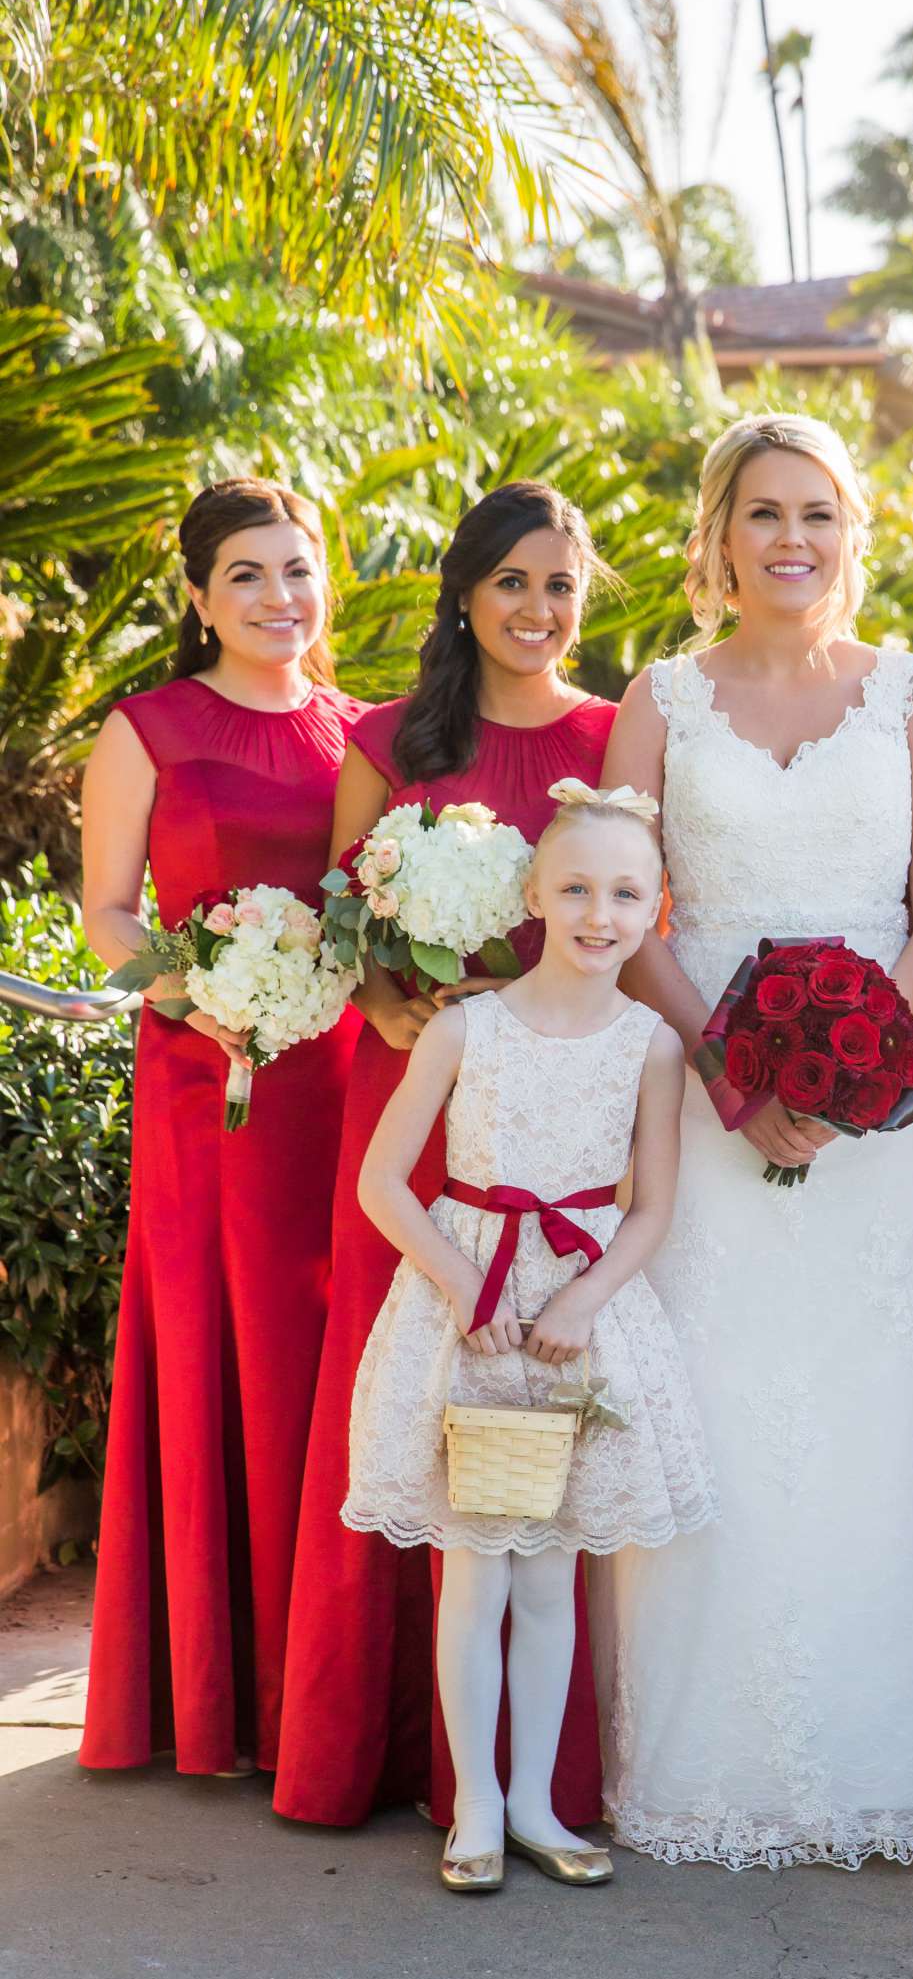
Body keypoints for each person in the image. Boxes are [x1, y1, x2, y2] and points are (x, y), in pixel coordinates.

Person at [589, 412, 913, 1871]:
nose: (793, 540)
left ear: (853, 528)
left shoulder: (911, 696)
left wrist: (869, 1063)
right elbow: (627, 909)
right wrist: (731, 1071)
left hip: (883, 1121)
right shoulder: (664, 698)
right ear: (721, 532)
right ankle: (710, 1766)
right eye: (765, 513)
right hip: (704, 1093)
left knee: (873, 1419)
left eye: (817, 512)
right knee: (719, 1408)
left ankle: (884, 1766)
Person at [273, 483, 616, 1833]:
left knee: (541, 1405)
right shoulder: (389, 739)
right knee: (405, 1395)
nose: (537, 611)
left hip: (563, 1125)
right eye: (513, 583)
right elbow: (338, 920)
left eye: (559, 587)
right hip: (416, 1113)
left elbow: (631, 913)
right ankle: (376, 1745)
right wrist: (393, 1008)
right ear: (465, 593)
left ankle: (533, 1782)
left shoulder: (609, 734)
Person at [341, 783, 713, 1890]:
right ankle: (472, 1813)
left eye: (625, 894)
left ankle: (542, 1806)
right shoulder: (468, 1025)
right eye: (577, 890)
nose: (600, 914)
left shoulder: (650, 1044)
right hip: (468, 1318)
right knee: (476, 1573)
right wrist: (461, 1282)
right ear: (533, 895)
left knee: (550, 1579)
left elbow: (650, 1207)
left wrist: (583, 1300)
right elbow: (382, 1185)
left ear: (659, 908)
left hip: (574, 1327)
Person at [79, 479, 364, 1778]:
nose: (277, 598)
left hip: (346, 1079)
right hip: (212, 1078)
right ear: (198, 598)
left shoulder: (362, 734)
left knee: (333, 1349)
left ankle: (325, 1684)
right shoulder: (148, 729)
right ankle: (212, 1697)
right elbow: (112, 915)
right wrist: (211, 997)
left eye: (296, 569)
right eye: (246, 574)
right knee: (213, 1345)